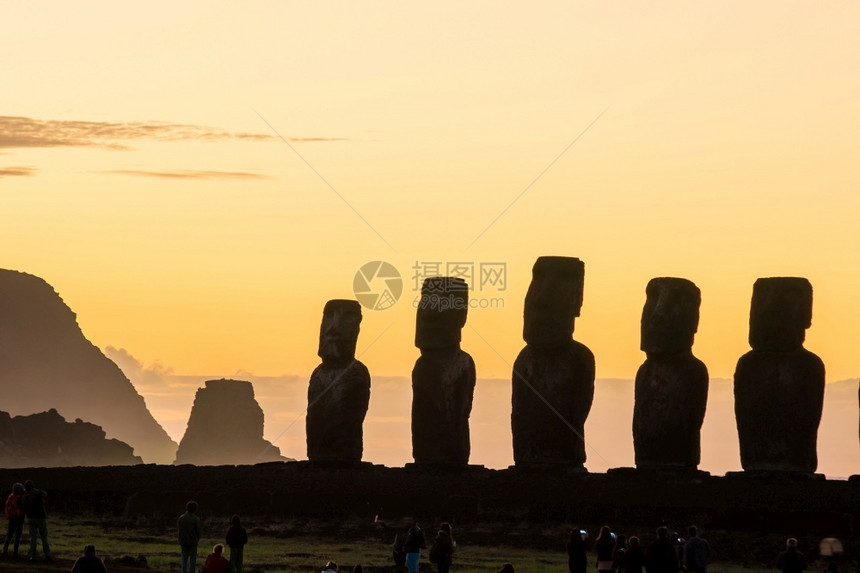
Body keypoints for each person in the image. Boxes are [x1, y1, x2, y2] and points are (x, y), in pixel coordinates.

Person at [22, 480, 52, 562]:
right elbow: (45, 494)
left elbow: (24, 507)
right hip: (41, 517)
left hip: (31, 517)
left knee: (33, 538)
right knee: (44, 538)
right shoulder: (39, 492)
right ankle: (48, 555)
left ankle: (33, 555)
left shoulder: (25, 495)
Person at [178, 500, 203, 573]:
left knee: (184, 559)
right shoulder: (196, 519)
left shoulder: (181, 518)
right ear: (195, 509)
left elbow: (179, 530)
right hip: (192, 542)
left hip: (183, 541)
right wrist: (197, 539)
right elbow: (199, 531)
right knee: (192, 560)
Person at [3, 482, 25, 557]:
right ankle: (15, 551)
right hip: (18, 518)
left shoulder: (10, 497)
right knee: (17, 536)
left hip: (11, 518)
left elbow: (7, 507)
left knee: (9, 534)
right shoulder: (19, 498)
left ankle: (5, 549)